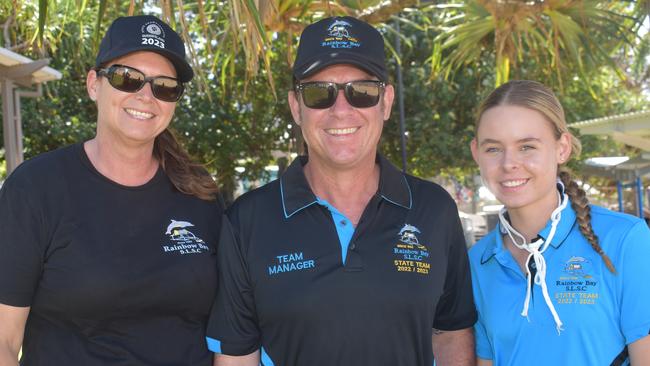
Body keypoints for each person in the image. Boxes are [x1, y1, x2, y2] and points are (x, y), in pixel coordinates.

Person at [206, 16, 477, 366]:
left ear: (386, 102)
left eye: (361, 92)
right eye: (320, 93)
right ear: (295, 107)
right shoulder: (247, 221)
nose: (341, 110)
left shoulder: (434, 209)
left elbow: (452, 332)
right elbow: (237, 357)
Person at [0, 15, 223, 365]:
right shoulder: (35, 189)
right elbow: (4, 339)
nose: (146, 96)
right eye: (127, 78)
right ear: (93, 84)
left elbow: (229, 327)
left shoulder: (200, 193)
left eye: (165, 86)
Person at [469, 80, 650, 365]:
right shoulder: (476, 262)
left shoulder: (626, 239)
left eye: (527, 146)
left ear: (562, 147)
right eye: (493, 149)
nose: (509, 163)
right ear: (476, 153)